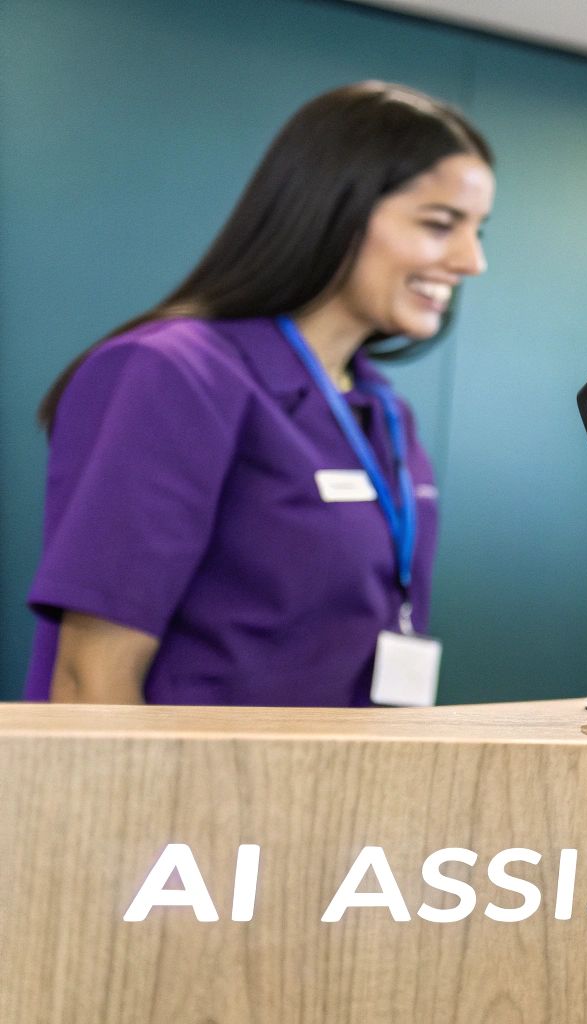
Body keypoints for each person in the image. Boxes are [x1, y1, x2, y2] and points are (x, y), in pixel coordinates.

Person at [25, 81, 494, 706]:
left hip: (347, 790)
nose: (471, 261)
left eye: (478, 230)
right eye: (441, 224)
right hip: (184, 796)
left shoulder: (384, 411)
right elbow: (89, 682)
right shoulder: (172, 373)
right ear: (337, 210)